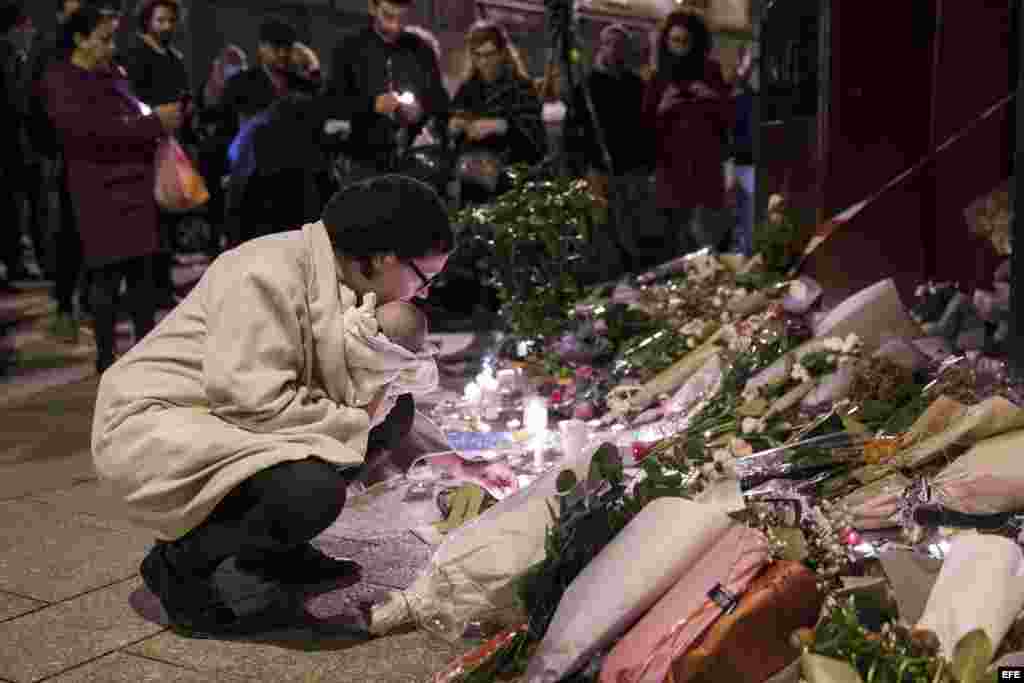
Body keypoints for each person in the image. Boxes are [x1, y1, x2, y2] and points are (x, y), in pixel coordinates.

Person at [91, 175, 517, 635]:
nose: (426, 293)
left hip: (232, 415)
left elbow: (364, 394)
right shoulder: (262, 273)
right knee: (308, 491)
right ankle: (178, 566)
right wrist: (357, 419)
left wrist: (456, 461)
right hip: (164, 424)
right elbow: (254, 401)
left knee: (395, 414)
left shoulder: (341, 276)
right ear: (383, 258)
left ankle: (271, 552)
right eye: (425, 278)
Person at [39, 5, 184, 374]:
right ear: (80, 39)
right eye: (103, 39)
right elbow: (86, 132)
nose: (110, 47)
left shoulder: (113, 72)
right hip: (97, 185)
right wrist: (152, 124)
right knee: (105, 274)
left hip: (134, 183)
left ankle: (146, 353)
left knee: (141, 274)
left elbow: (128, 113)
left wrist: (156, 119)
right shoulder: (61, 79)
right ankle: (106, 357)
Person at [642, 10, 734, 258]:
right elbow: (646, 126)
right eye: (675, 41)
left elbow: (728, 119)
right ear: (666, 42)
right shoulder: (659, 77)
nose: (680, 47)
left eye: (685, 41)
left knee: (707, 235)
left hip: (705, 166)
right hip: (672, 169)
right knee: (676, 236)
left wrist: (710, 96)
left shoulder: (711, 72)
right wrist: (663, 107)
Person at [323, 0, 449, 178]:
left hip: (413, 159)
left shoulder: (421, 50)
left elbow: (440, 101)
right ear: (372, 8)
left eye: (403, 17)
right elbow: (331, 104)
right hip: (362, 159)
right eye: (388, 16)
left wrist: (420, 111)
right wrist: (372, 105)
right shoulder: (349, 49)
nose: (396, 25)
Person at [118, 0, 191, 310]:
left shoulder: (175, 58)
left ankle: (161, 287)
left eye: (171, 20)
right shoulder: (133, 55)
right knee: (143, 221)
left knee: (168, 218)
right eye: (161, 19)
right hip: (141, 146)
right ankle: (140, 289)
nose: (167, 26)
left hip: (171, 145)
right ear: (147, 20)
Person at [566, 23, 652, 274]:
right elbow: (574, 128)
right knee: (601, 226)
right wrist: (583, 163)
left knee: (631, 225)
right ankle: (606, 273)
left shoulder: (635, 85)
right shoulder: (587, 85)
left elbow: (643, 126)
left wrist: (646, 162)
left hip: (631, 168)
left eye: (620, 46)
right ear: (601, 47)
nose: (615, 50)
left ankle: (632, 271)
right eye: (609, 44)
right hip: (598, 168)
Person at [449, 20, 547, 202]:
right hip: (471, 178)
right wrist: (455, 125)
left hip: (510, 178)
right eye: (478, 56)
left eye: (489, 55)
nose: (484, 62)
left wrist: (500, 126)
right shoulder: (468, 88)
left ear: (502, 53)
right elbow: (451, 123)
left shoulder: (521, 88)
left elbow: (536, 139)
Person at [195, 44, 247, 257]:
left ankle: (225, 243)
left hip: (231, 151)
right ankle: (215, 243)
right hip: (215, 154)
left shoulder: (239, 87)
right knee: (215, 201)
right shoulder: (209, 88)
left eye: (238, 65)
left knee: (230, 200)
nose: (234, 70)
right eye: (231, 65)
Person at [0, 0, 36, 289]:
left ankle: (13, 262)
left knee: (13, 205)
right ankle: (11, 262)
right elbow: (17, 101)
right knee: (9, 205)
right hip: (9, 142)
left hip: (14, 143)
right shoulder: (8, 55)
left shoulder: (15, 55)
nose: (31, 31)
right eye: (26, 26)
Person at [726, 43, 757, 257]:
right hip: (729, 162)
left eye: (751, 65)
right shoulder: (726, 94)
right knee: (733, 210)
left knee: (747, 210)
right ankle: (735, 250)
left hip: (748, 162)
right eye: (745, 62)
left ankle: (743, 252)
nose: (747, 69)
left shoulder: (752, 97)